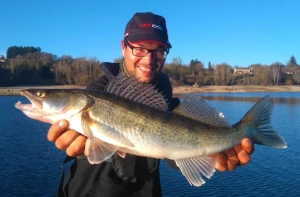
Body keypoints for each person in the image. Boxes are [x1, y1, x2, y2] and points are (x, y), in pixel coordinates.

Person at [48, 12, 254, 197]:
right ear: (123, 47)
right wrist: (87, 146)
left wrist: (212, 153)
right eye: (139, 49)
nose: (149, 60)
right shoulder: (97, 94)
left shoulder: (164, 95)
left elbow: (170, 151)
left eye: (159, 51)